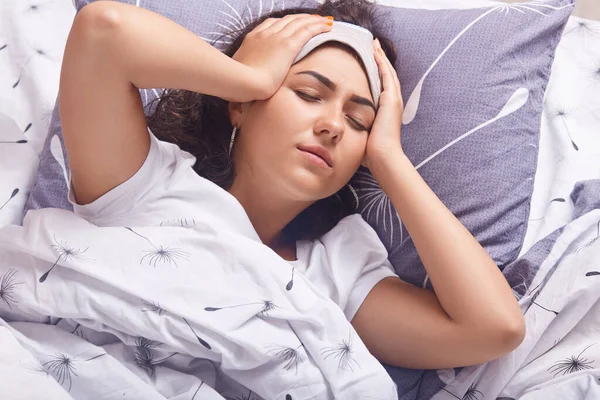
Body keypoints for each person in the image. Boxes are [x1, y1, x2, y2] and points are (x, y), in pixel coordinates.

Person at [59, 0, 525, 372]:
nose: (333, 127)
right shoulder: (145, 182)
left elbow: (493, 329)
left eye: (358, 119)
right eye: (308, 94)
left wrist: (389, 158)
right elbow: (102, 30)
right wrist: (250, 76)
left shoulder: (337, 267)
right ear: (239, 105)